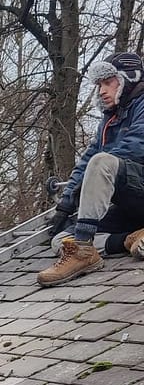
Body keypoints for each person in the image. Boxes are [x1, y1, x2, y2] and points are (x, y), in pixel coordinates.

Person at [38, 50, 144, 287]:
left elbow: (138, 145)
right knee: (62, 240)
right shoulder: (110, 119)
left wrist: (98, 170)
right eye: (99, 85)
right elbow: (87, 160)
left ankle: (83, 251)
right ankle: (129, 240)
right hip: (129, 205)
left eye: (108, 83)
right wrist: (65, 205)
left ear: (128, 79)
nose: (102, 91)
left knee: (103, 161)